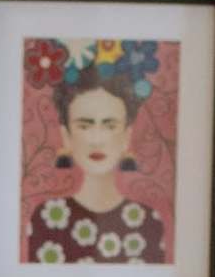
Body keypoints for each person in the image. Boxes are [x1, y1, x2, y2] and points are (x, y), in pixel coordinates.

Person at [23, 38, 170, 264]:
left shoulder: (149, 222)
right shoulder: (46, 218)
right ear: (66, 136)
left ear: (126, 136)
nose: (97, 139)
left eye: (109, 125)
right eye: (85, 124)